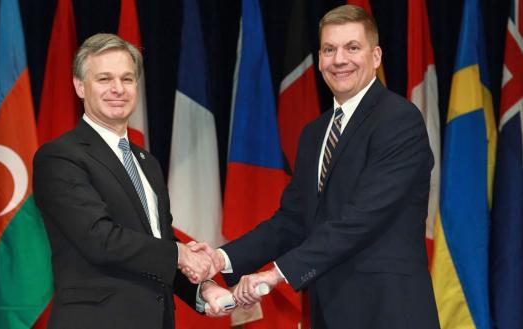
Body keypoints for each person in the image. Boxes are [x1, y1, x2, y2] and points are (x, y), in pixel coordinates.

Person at [188, 5, 440, 329]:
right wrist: (220, 259)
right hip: (328, 314)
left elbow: (362, 218)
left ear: (376, 56)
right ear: (319, 59)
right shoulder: (314, 134)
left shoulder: (399, 120)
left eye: (352, 48)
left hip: (388, 312)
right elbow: (292, 220)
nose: (339, 60)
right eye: (329, 49)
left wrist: (277, 273)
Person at [33, 33, 231, 329]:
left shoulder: (146, 162)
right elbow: (99, 238)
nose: (118, 89)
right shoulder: (60, 157)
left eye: (127, 79)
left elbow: (156, 245)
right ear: (79, 86)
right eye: (104, 79)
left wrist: (203, 290)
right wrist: (180, 254)